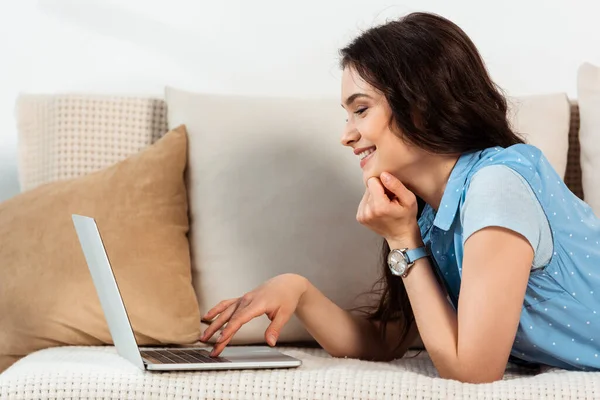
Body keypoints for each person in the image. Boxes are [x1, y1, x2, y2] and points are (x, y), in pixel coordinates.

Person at [199, 12, 600, 383]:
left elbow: (475, 372)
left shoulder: (495, 187)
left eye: (361, 110)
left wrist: (404, 243)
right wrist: (299, 291)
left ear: (421, 106)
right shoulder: (426, 210)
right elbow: (387, 340)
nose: (346, 135)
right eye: (347, 114)